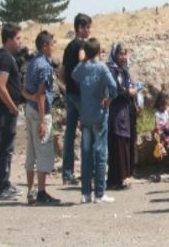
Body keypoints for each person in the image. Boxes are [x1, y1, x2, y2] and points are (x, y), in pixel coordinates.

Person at [72, 38, 118, 204]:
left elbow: (73, 74)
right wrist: (108, 99)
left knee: (86, 154)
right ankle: (99, 193)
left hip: (85, 115)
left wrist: (84, 60)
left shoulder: (82, 68)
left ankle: (85, 193)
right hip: (99, 114)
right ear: (99, 52)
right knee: (100, 153)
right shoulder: (101, 67)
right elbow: (114, 87)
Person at [22, 30, 61, 205]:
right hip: (39, 112)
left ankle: (30, 191)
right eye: (52, 44)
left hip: (29, 110)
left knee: (31, 152)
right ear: (45, 46)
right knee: (43, 151)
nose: (53, 47)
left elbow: (25, 90)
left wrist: (31, 99)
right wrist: (44, 120)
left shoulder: (32, 63)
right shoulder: (44, 66)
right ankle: (41, 192)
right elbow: (42, 93)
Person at [0, 23, 24, 200]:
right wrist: (12, 107)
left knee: (7, 148)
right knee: (5, 148)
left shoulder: (9, 57)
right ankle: (2, 188)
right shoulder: (4, 58)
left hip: (6, 109)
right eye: (18, 39)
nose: (20, 42)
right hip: (4, 110)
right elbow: (1, 87)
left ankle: (5, 184)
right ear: (9, 39)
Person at [60, 13, 92, 185]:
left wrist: (68, 85)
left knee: (69, 134)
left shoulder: (68, 46)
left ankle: (67, 173)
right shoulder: (81, 45)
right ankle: (87, 171)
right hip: (80, 94)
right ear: (80, 28)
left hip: (70, 93)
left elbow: (61, 72)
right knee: (87, 130)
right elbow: (82, 61)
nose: (89, 30)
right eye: (87, 27)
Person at [106, 42, 137, 190]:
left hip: (126, 110)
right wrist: (128, 92)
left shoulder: (124, 70)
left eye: (125, 54)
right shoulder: (111, 71)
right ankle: (118, 177)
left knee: (125, 142)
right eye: (120, 54)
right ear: (114, 55)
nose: (123, 57)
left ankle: (124, 175)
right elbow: (114, 91)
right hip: (116, 111)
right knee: (117, 142)